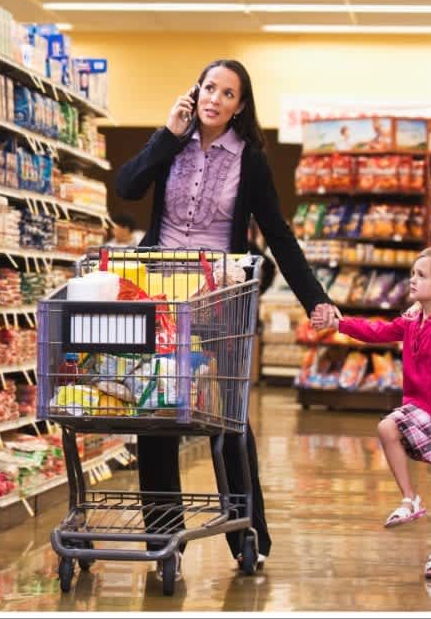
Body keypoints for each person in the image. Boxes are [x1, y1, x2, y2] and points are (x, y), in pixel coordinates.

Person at [113, 58, 338, 575]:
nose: (214, 98)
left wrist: (315, 298)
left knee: (229, 417)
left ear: (240, 105)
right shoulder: (171, 142)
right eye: (208, 88)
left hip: (220, 296)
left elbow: (277, 232)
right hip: (158, 291)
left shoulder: (252, 159)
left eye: (227, 93)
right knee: (157, 410)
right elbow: (127, 186)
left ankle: (247, 537)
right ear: (196, 92)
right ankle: (162, 541)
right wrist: (166, 136)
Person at [311, 246, 431, 580]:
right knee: (388, 427)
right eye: (412, 274)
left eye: (421, 275)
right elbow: (377, 332)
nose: (412, 281)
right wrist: (341, 322)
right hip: (420, 410)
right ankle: (410, 498)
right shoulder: (412, 320)